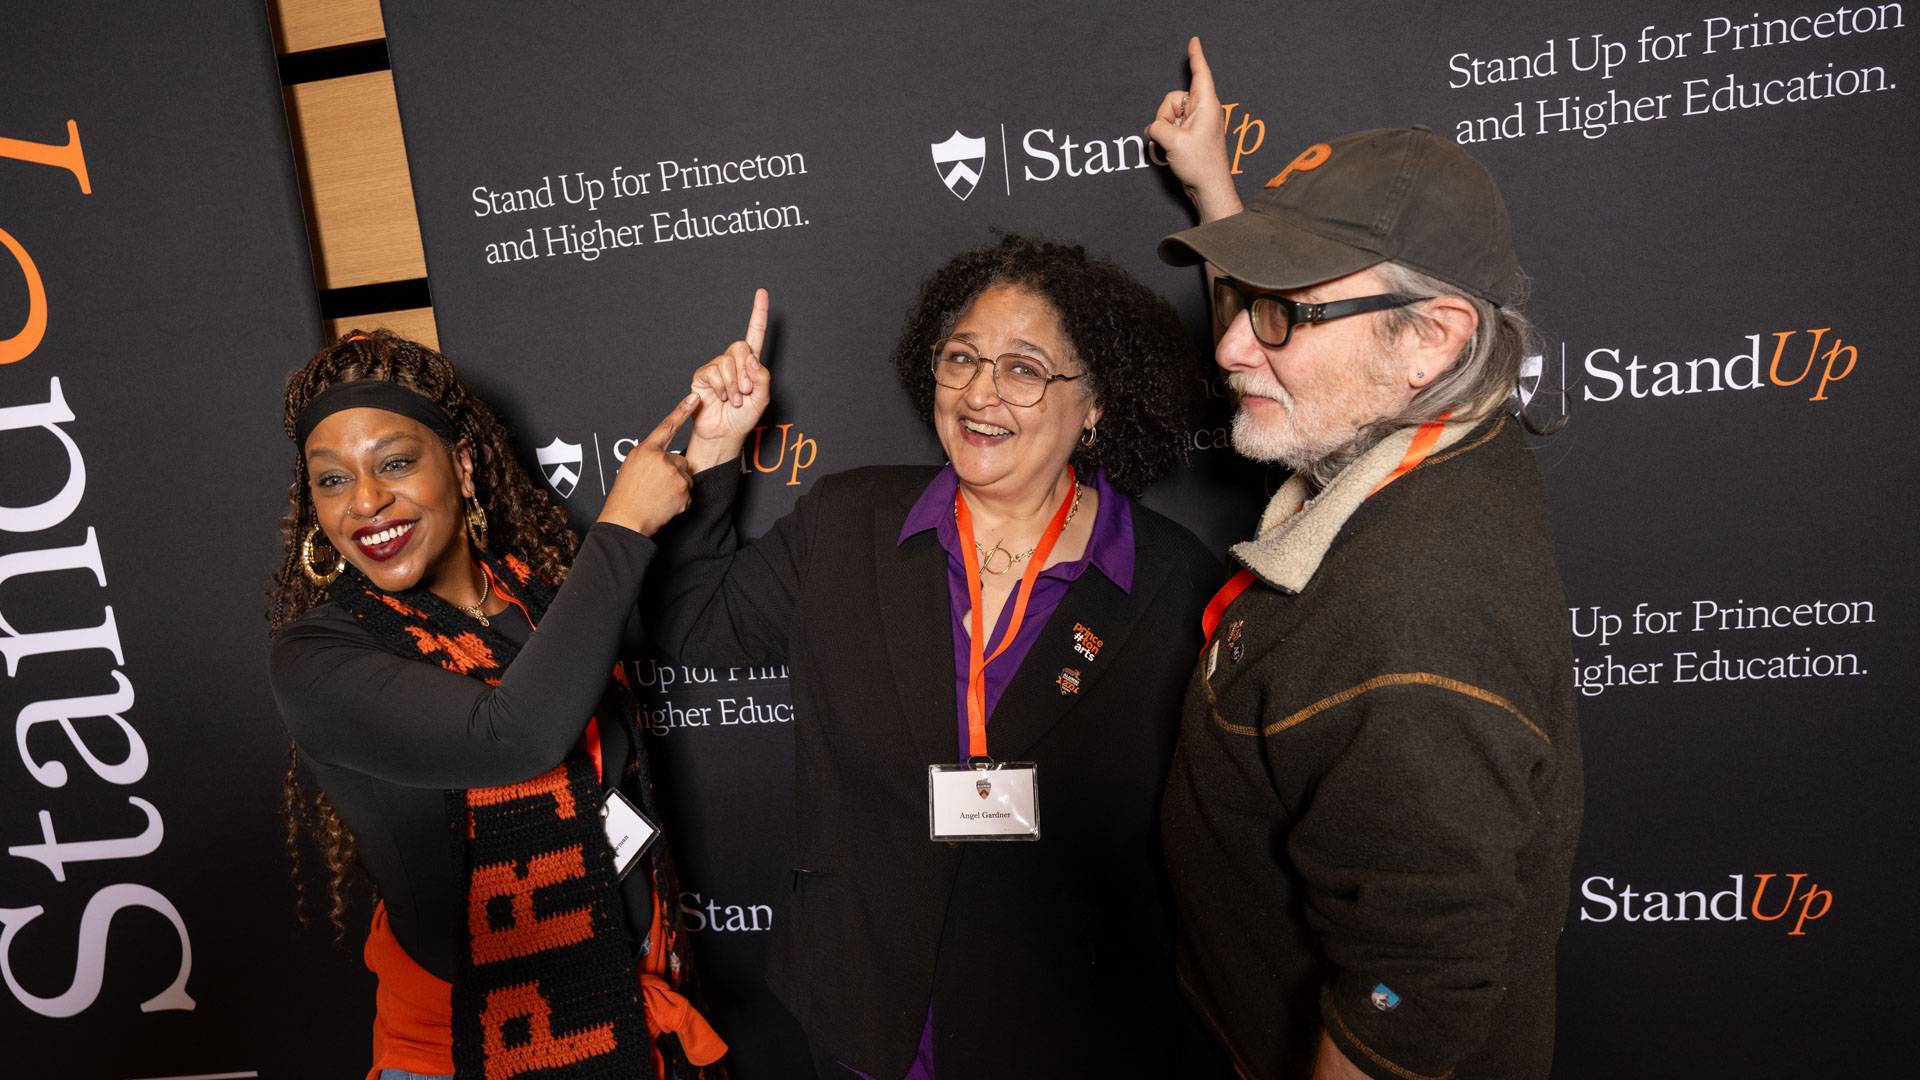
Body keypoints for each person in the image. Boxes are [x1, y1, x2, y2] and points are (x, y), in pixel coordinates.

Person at [644, 235, 1224, 1078]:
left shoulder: (1171, 583)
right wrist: (715, 453)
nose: (982, 393)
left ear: (1095, 402)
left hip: (1071, 1028)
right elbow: (693, 624)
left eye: (1025, 369)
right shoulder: (849, 523)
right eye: (962, 359)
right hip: (866, 1015)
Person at [1144, 39, 1583, 1080]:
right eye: (1246, 295)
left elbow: (1411, 996)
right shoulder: (1420, 426)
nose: (1230, 347)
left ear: (1431, 338)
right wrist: (1215, 187)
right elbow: (1322, 337)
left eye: (1281, 312)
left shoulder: (1410, 617)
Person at [267, 331, 727, 1080]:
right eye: (332, 480)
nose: (366, 501)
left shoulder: (529, 588)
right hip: (465, 1056)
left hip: (629, 1006)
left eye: (394, 463)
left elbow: (676, 617)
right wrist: (620, 525)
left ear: (464, 465)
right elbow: (511, 735)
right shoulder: (318, 657)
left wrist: (714, 456)